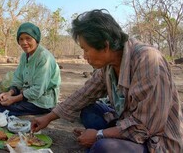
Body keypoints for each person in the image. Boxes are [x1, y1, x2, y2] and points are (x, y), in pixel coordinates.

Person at [31, 9, 183, 153]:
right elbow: (85, 94)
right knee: (89, 111)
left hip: (155, 141)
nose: (84, 56)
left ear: (105, 46)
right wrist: (49, 117)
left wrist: (99, 134)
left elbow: (144, 127)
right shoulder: (109, 65)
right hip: (128, 124)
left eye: (85, 49)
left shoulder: (148, 60)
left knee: (103, 147)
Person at [0, 22, 61, 118]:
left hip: (41, 102)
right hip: (25, 95)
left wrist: (13, 99)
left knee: (3, 108)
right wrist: (9, 93)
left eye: (28, 38)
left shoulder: (44, 58)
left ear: (36, 39)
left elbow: (38, 90)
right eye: (21, 39)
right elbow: (18, 79)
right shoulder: (25, 56)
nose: (24, 42)